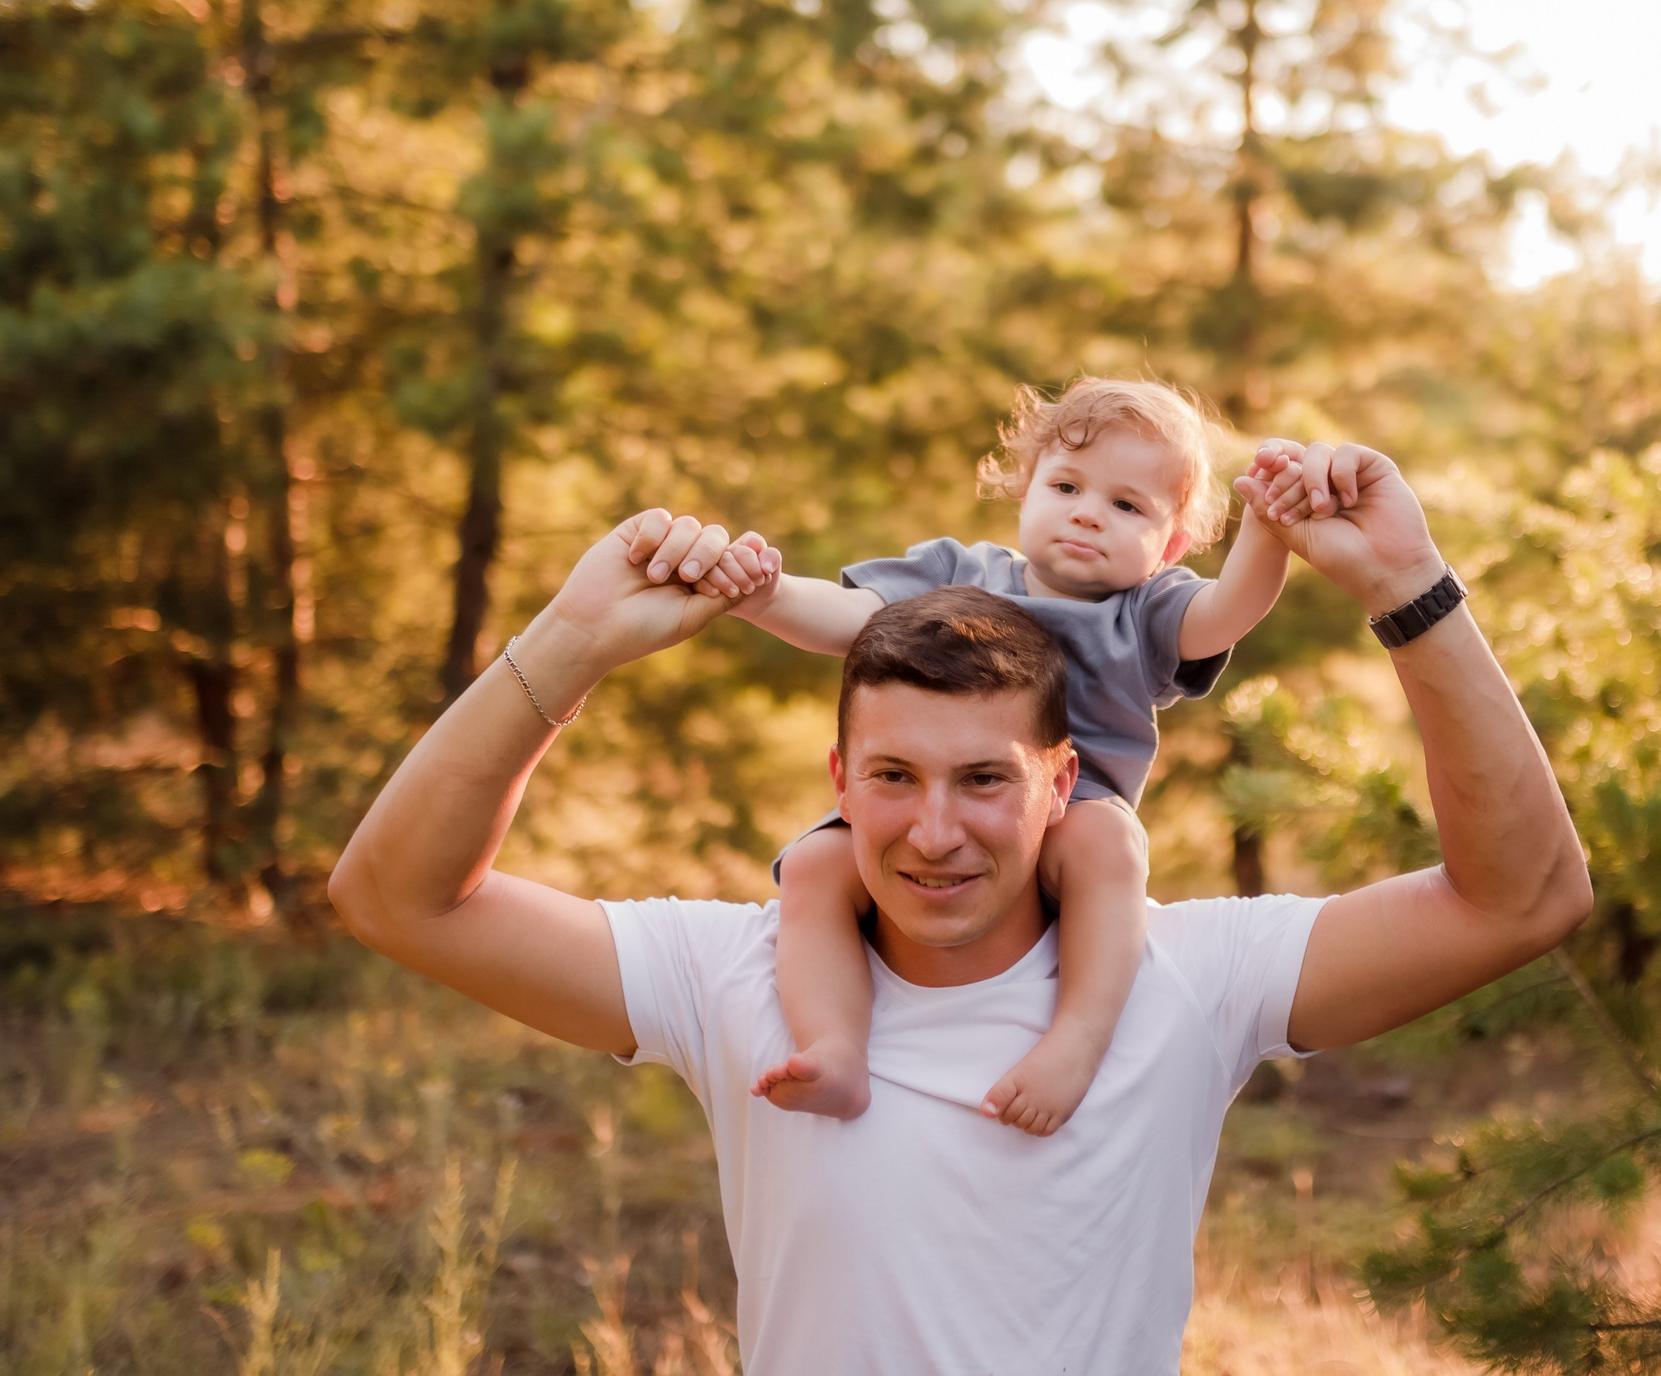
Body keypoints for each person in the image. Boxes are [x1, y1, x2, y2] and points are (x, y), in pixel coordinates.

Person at [327, 441, 1592, 1376]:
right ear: (839, 783)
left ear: (1061, 784)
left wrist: (1409, 588)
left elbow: (1521, 900)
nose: (933, 833)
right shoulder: (736, 971)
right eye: (892, 778)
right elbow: (398, 900)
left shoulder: (1187, 975)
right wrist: (570, 643)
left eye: (983, 780)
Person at [689, 378, 1296, 1135]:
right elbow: (852, 617)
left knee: (1110, 841)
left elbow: (1225, 612)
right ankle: (836, 1047)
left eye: (1126, 505)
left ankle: (1077, 1038)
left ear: (1169, 544)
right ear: (1025, 491)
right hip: (942, 802)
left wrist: (1268, 532)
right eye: (1067, 484)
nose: (1087, 511)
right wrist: (761, 597)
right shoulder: (961, 573)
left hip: (1073, 817)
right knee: (814, 864)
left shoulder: (1145, 611)